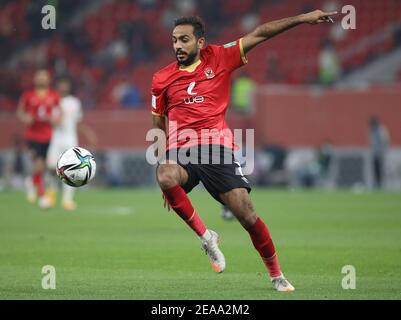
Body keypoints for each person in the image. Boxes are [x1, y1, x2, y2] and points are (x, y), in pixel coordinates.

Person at [151, 10, 337, 292]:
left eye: (184, 40)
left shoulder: (220, 57)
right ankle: (207, 238)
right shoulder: (161, 78)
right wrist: (165, 160)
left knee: (246, 214)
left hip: (216, 149)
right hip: (182, 152)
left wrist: (301, 19)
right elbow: (157, 121)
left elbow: (260, 34)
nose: (178, 45)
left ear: (200, 43)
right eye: (175, 40)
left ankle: (276, 274)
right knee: (164, 175)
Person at [46, 77, 97, 210]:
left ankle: (67, 200)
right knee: (52, 168)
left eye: (66, 84)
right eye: (61, 84)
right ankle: (51, 195)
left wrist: (88, 132)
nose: (64, 87)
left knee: (71, 169)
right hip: (56, 138)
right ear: (57, 86)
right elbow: (49, 120)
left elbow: (77, 122)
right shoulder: (51, 100)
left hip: (70, 138)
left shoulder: (74, 102)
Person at [16, 69, 61, 209]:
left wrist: (56, 120)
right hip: (33, 136)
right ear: (35, 79)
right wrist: (25, 118)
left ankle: (31, 181)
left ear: (48, 79)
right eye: (39, 77)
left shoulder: (54, 95)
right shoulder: (28, 95)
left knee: (46, 167)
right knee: (39, 164)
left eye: (44, 77)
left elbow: (59, 112)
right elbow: (20, 112)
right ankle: (42, 197)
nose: (41, 79)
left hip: (48, 136)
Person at [369, 116, 390, 189]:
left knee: (381, 170)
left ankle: (382, 185)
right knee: (375, 170)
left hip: (381, 154)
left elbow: (385, 142)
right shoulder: (372, 131)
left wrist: (384, 152)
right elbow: (372, 143)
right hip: (374, 154)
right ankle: (376, 185)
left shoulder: (381, 130)